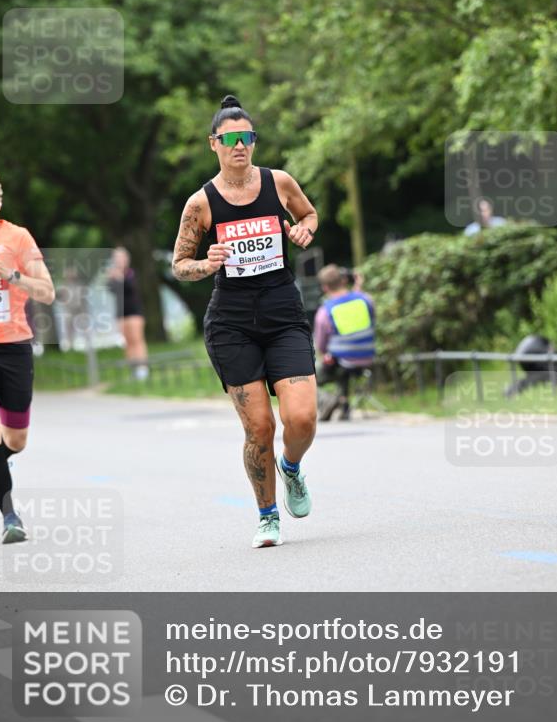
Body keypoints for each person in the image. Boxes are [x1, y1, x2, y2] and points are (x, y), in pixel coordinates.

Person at [172, 95, 318, 549]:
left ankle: (290, 467)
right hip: (232, 323)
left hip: (281, 313)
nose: (240, 146)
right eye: (231, 139)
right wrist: (207, 263)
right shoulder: (202, 203)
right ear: (214, 144)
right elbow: (180, 263)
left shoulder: (279, 183)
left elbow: (309, 215)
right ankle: (267, 515)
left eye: (247, 138)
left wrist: (303, 230)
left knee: (303, 418)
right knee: (259, 428)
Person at [0, 169, 55, 543]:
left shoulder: (18, 238)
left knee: (16, 439)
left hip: (15, 347)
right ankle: (10, 518)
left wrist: (12, 276)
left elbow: (48, 293)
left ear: (0, 200)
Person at [314, 264, 376, 420]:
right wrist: (358, 288)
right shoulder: (365, 300)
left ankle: (326, 400)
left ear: (325, 287)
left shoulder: (326, 311)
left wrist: (324, 355)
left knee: (305, 379)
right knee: (341, 364)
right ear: (343, 281)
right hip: (368, 357)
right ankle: (343, 405)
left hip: (342, 361)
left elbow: (321, 345)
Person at [106, 247, 149, 380]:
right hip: (121, 313)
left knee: (137, 340)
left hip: (134, 312)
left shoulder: (131, 273)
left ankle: (143, 369)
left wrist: (119, 278)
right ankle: (133, 369)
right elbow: (111, 290)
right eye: (116, 258)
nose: (119, 261)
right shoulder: (112, 274)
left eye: (121, 258)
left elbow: (130, 288)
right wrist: (112, 278)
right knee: (128, 342)